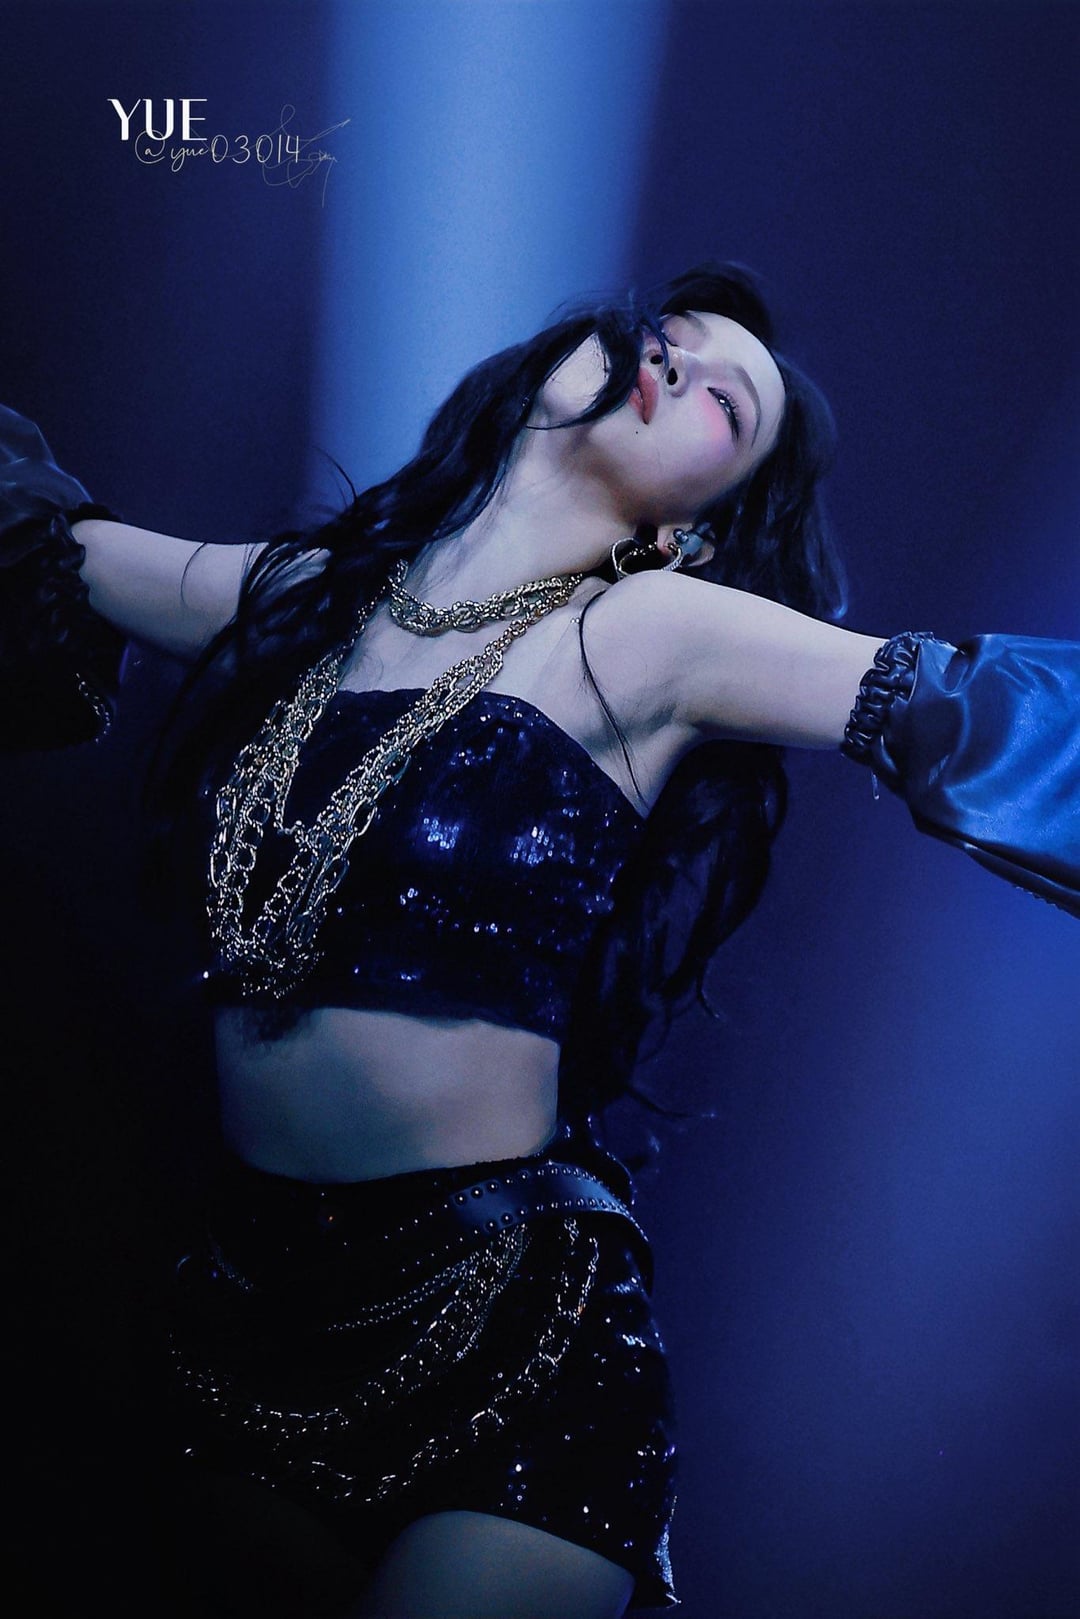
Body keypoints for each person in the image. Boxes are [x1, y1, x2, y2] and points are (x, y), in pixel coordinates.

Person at [2, 262, 1077, 1619]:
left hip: (510, 1336)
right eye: (670, 337)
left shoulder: (656, 634)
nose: (677, 364)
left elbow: (979, 710)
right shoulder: (303, 602)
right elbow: (49, 543)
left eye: (726, 404)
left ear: (692, 533)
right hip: (241, 1320)